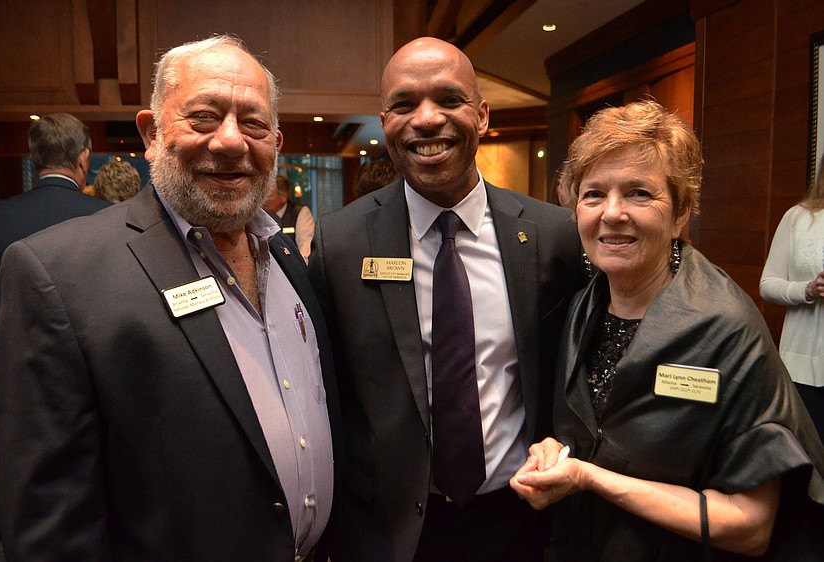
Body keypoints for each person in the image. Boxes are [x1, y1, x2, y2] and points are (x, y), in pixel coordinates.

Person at [0, 35, 340, 562]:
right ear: (151, 133)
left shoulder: (286, 254)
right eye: (203, 116)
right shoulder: (58, 273)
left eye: (254, 123)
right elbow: (50, 521)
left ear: (276, 141)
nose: (230, 141)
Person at [510, 100, 824, 561]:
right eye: (593, 194)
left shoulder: (725, 328)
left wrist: (590, 477)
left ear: (681, 214)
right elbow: (603, 433)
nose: (612, 213)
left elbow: (750, 525)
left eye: (639, 193)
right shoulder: (584, 303)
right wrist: (558, 451)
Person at [309, 37, 584, 562]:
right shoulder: (341, 243)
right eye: (404, 105)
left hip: (519, 519)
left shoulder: (553, 235)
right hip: (389, 530)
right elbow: (330, 394)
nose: (426, 120)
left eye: (449, 99)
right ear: (384, 119)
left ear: (481, 115)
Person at [0, 113, 110, 545]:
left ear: (34, 158)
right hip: (96, 372)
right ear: (84, 157)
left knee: (18, 458)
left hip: (11, 372)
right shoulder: (107, 217)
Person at [760, 154, 824, 441]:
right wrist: (807, 290)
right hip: (802, 366)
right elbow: (768, 285)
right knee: (805, 463)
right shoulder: (799, 218)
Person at [263, 174, 314, 262]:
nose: (264, 200)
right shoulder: (260, 215)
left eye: (268, 196)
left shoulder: (300, 212)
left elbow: (306, 249)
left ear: (283, 197)